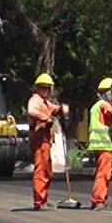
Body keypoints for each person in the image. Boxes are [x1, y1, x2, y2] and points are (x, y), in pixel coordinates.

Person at [27, 73, 68, 210]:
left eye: (48, 88)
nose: (46, 90)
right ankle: (39, 202)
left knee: (47, 171)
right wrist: (45, 118)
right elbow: (32, 111)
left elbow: (53, 109)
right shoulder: (35, 100)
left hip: (46, 141)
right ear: (37, 88)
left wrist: (61, 109)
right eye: (43, 88)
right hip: (39, 140)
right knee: (41, 170)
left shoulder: (44, 102)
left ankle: (44, 198)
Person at [88, 77, 112, 211]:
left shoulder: (97, 105)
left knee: (102, 172)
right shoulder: (103, 105)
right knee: (103, 173)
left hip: (100, 145)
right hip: (103, 145)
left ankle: (99, 199)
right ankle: (98, 200)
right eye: (111, 93)